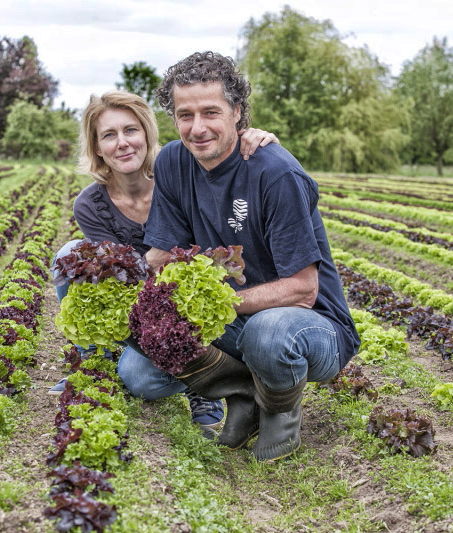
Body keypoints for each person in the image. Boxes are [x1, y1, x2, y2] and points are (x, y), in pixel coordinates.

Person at [117, 51, 361, 462]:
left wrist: (212, 302)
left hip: (308, 325)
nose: (197, 128)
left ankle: (279, 411)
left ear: (238, 113)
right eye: (185, 114)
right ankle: (242, 392)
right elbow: (160, 255)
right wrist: (120, 278)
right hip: (232, 319)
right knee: (139, 365)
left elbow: (303, 289)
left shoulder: (274, 172)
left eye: (211, 112)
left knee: (265, 334)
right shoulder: (175, 162)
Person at [50, 90, 279, 437]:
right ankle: (97, 360)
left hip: (189, 296)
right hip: (142, 299)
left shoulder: (177, 172)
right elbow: (120, 283)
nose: (123, 143)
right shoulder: (91, 205)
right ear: (97, 147)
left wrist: (254, 138)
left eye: (131, 130)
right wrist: (151, 264)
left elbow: (221, 148)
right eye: (109, 135)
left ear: (147, 134)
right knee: (70, 254)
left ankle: (206, 385)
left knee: (143, 374)